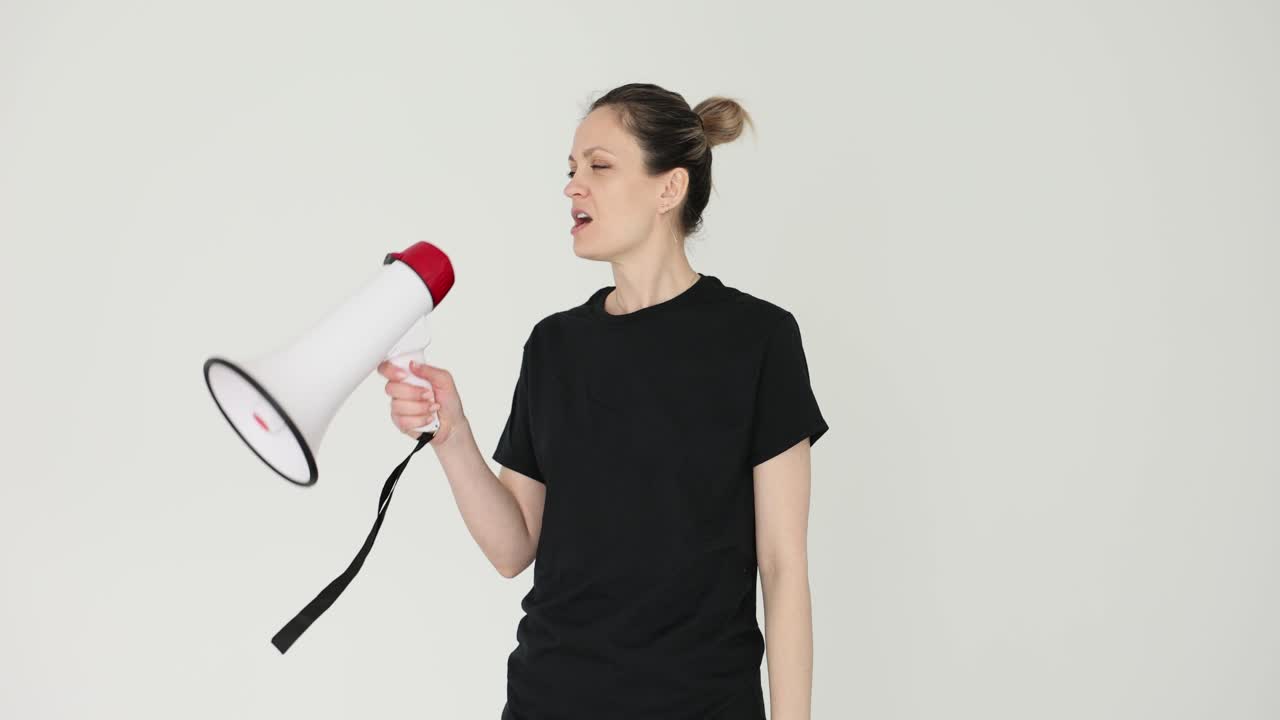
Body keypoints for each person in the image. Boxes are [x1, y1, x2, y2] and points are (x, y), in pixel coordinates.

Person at [376, 83, 828, 720]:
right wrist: (452, 435)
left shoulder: (758, 339)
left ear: (669, 189)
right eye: (570, 169)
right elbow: (513, 548)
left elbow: (782, 567)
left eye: (599, 166)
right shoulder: (554, 346)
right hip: (549, 700)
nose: (573, 187)